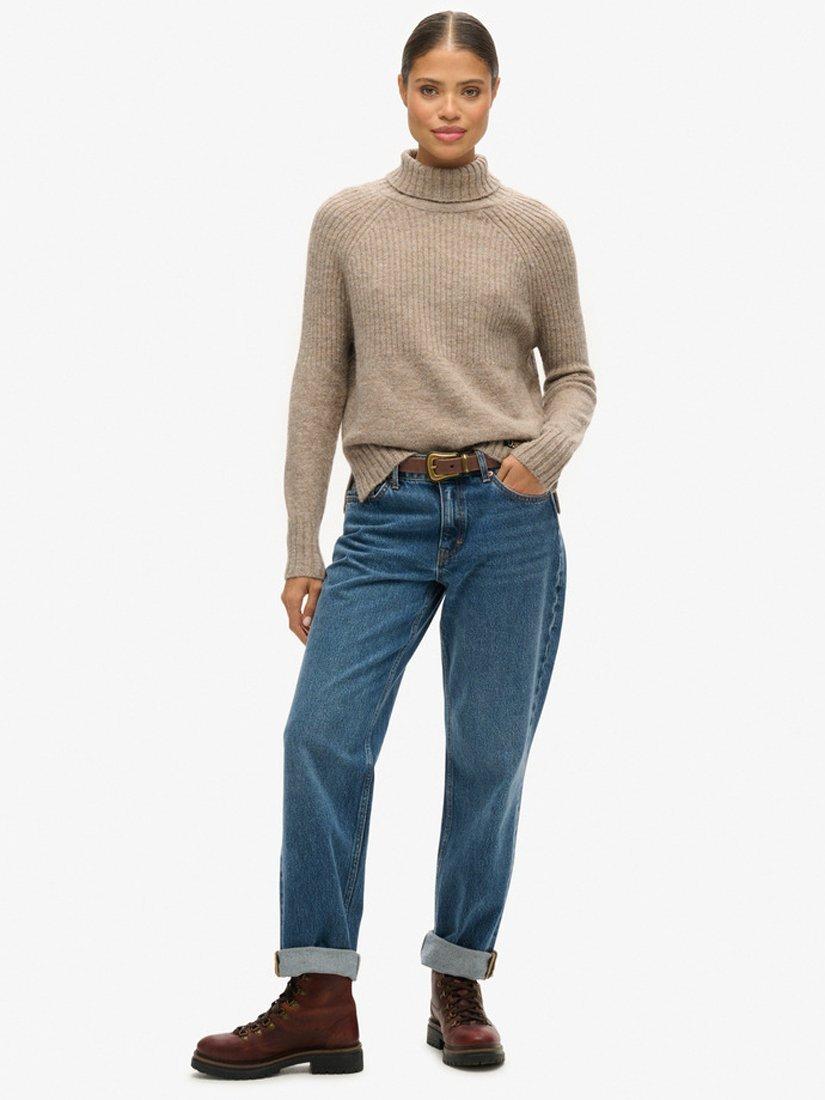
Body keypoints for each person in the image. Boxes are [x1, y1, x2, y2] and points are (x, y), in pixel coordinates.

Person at [191, 10, 596, 1079]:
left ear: (493, 95)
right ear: (403, 92)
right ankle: (320, 991)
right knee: (321, 735)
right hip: (385, 510)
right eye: (430, 88)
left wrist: (543, 455)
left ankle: (457, 976)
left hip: (510, 517)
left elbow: (573, 374)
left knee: (489, 753)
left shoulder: (536, 230)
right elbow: (316, 383)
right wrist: (301, 544)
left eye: (469, 89)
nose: (448, 109)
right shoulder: (347, 221)